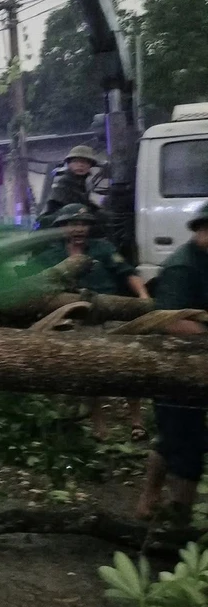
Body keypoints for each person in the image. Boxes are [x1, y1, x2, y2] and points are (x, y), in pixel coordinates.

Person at [35, 203, 150, 441]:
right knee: (92, 371)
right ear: (61, 227)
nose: (78, 229)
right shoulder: (50, 255)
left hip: (110, 311)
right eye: (72, 224)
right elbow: (33, 282)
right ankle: (99, 426)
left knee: (129, 366)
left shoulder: (103, 248)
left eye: (83, 224)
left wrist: (143, 298)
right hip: (75, 317)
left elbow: (127, 272)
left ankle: (137, 423)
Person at [136, 200, 208, 522]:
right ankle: (180, 520)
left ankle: (148, 502)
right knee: (186, 446)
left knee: (172, 439)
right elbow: (170, 322)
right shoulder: (183, 266)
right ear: (200, 231)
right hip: (175, 368)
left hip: (198, 366)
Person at [37, 145, 102, 229]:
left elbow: (87, 204)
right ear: (69, 164)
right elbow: (63, 208)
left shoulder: (84, 184)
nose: (80, 165)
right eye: (76, 161)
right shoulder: (63, 182)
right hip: (56, 224)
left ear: (90, 166)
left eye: (85, 162)